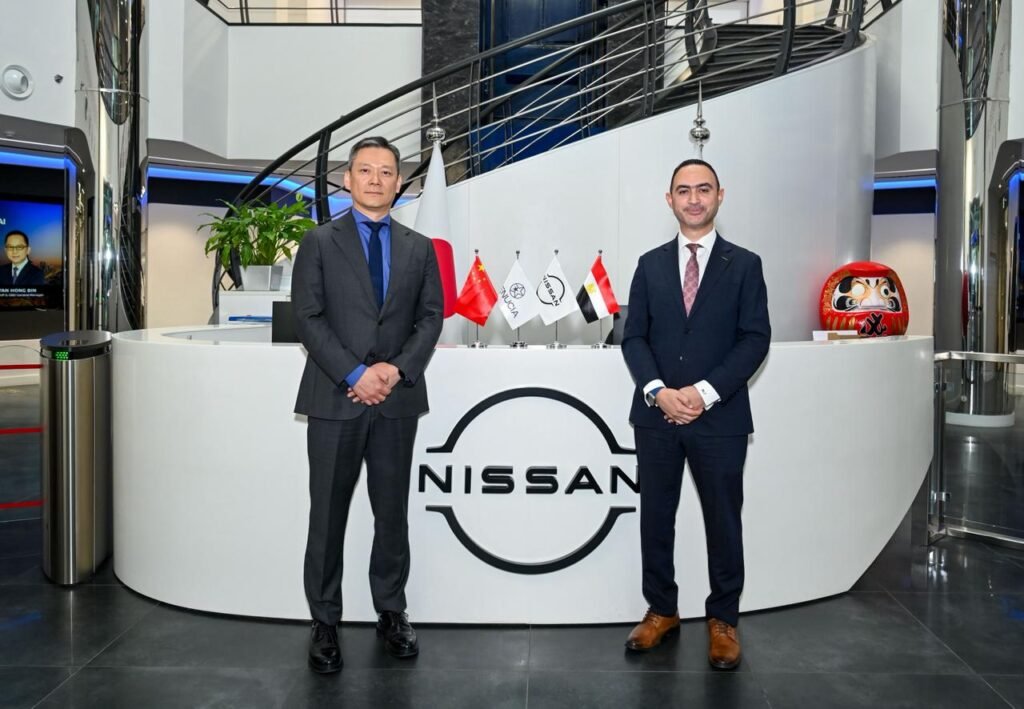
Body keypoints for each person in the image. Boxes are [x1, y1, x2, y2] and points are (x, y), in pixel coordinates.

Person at [291, 136, 444, 674]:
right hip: (336, 398)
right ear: (347, 179)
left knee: (391, 513)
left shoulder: (420, 248)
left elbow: (431, 317)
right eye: (365, 170)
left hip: (396, 400)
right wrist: (356, 373)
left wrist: (395, 370)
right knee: (327, 515)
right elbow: (307, 317)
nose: (375, 179)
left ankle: (391, 611)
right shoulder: (318, 242)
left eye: (385, 171)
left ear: (399, 183)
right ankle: (324, 621)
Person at [620, 159, 770, 669]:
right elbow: (634, 337)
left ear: (719, 196)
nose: (693, 198)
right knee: (656, 517)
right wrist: (658, 391)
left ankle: (723, 619)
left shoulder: (744, 265)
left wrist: (704, 393)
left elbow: (755, 339)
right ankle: (661, 610)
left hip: (720, 419)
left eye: (703, 189)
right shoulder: (649, 264)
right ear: (670, 200)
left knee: (723, 521)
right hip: (657, 416)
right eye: (683, 190)